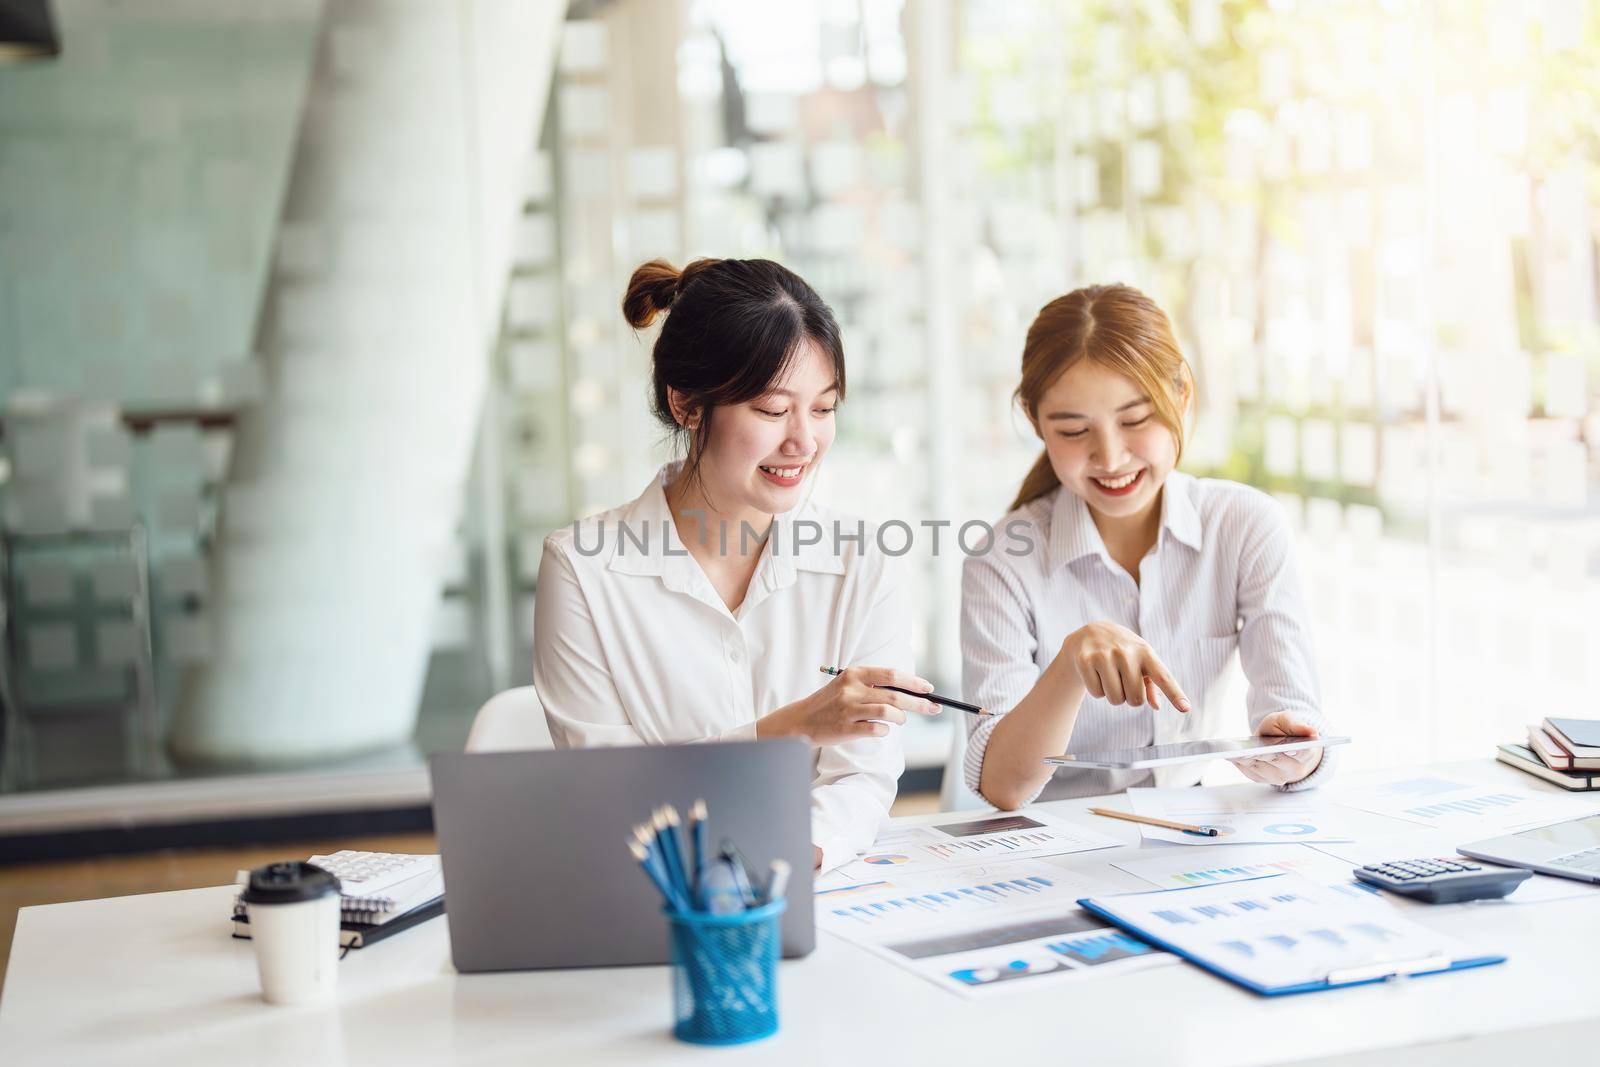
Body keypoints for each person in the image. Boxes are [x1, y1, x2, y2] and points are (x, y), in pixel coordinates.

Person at [532, 257, 937, 871]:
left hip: (815, 888)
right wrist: (795, 725)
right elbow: (610, 793)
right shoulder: (583, 569)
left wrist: (787, 863)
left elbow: (862, 779)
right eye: (773, 411)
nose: (803, 441)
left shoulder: (864, 562)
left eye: (823, 409)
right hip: (657, 903)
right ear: (689, 406)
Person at [961, 283, 1334, 810]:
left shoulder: (1244, 526)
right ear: (1035, 422)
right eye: (1072, 430)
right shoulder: (1003, 558)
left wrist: (1294, 751)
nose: (1110, 457)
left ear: (1180, 396)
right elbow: (1003, 785)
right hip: (1058, 843)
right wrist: (1068, 667)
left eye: (1135, 420)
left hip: (1191, 827)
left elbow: (1302, 721)